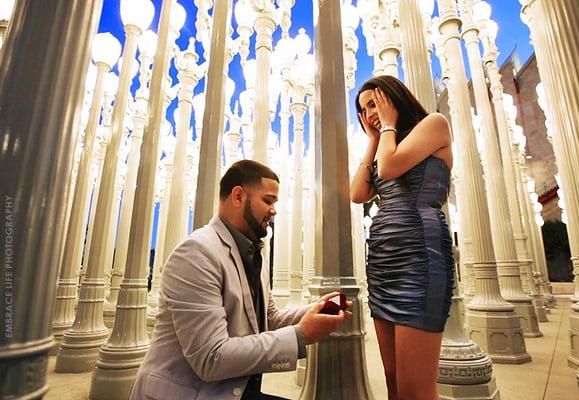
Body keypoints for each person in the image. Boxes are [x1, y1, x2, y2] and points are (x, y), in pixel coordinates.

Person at [130, 160, 351, 400]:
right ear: (238, 196)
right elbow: (211, 358)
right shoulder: (196, 253)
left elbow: (268, 319)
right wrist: (301, 335)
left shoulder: (255, 252)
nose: (274, 210)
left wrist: (316, 310)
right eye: (268, 200)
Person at [350, 75, 454, 400]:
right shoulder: (385, 144)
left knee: (415, 390)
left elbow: (389, 169)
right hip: (383, 263)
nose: (369, 113)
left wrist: (388, 127)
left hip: (420, 256)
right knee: (393, 381)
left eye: (373, 103)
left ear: (394, 98)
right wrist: (373, 138)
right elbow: (357, 193)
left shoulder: (434, 124)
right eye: (363, 110)